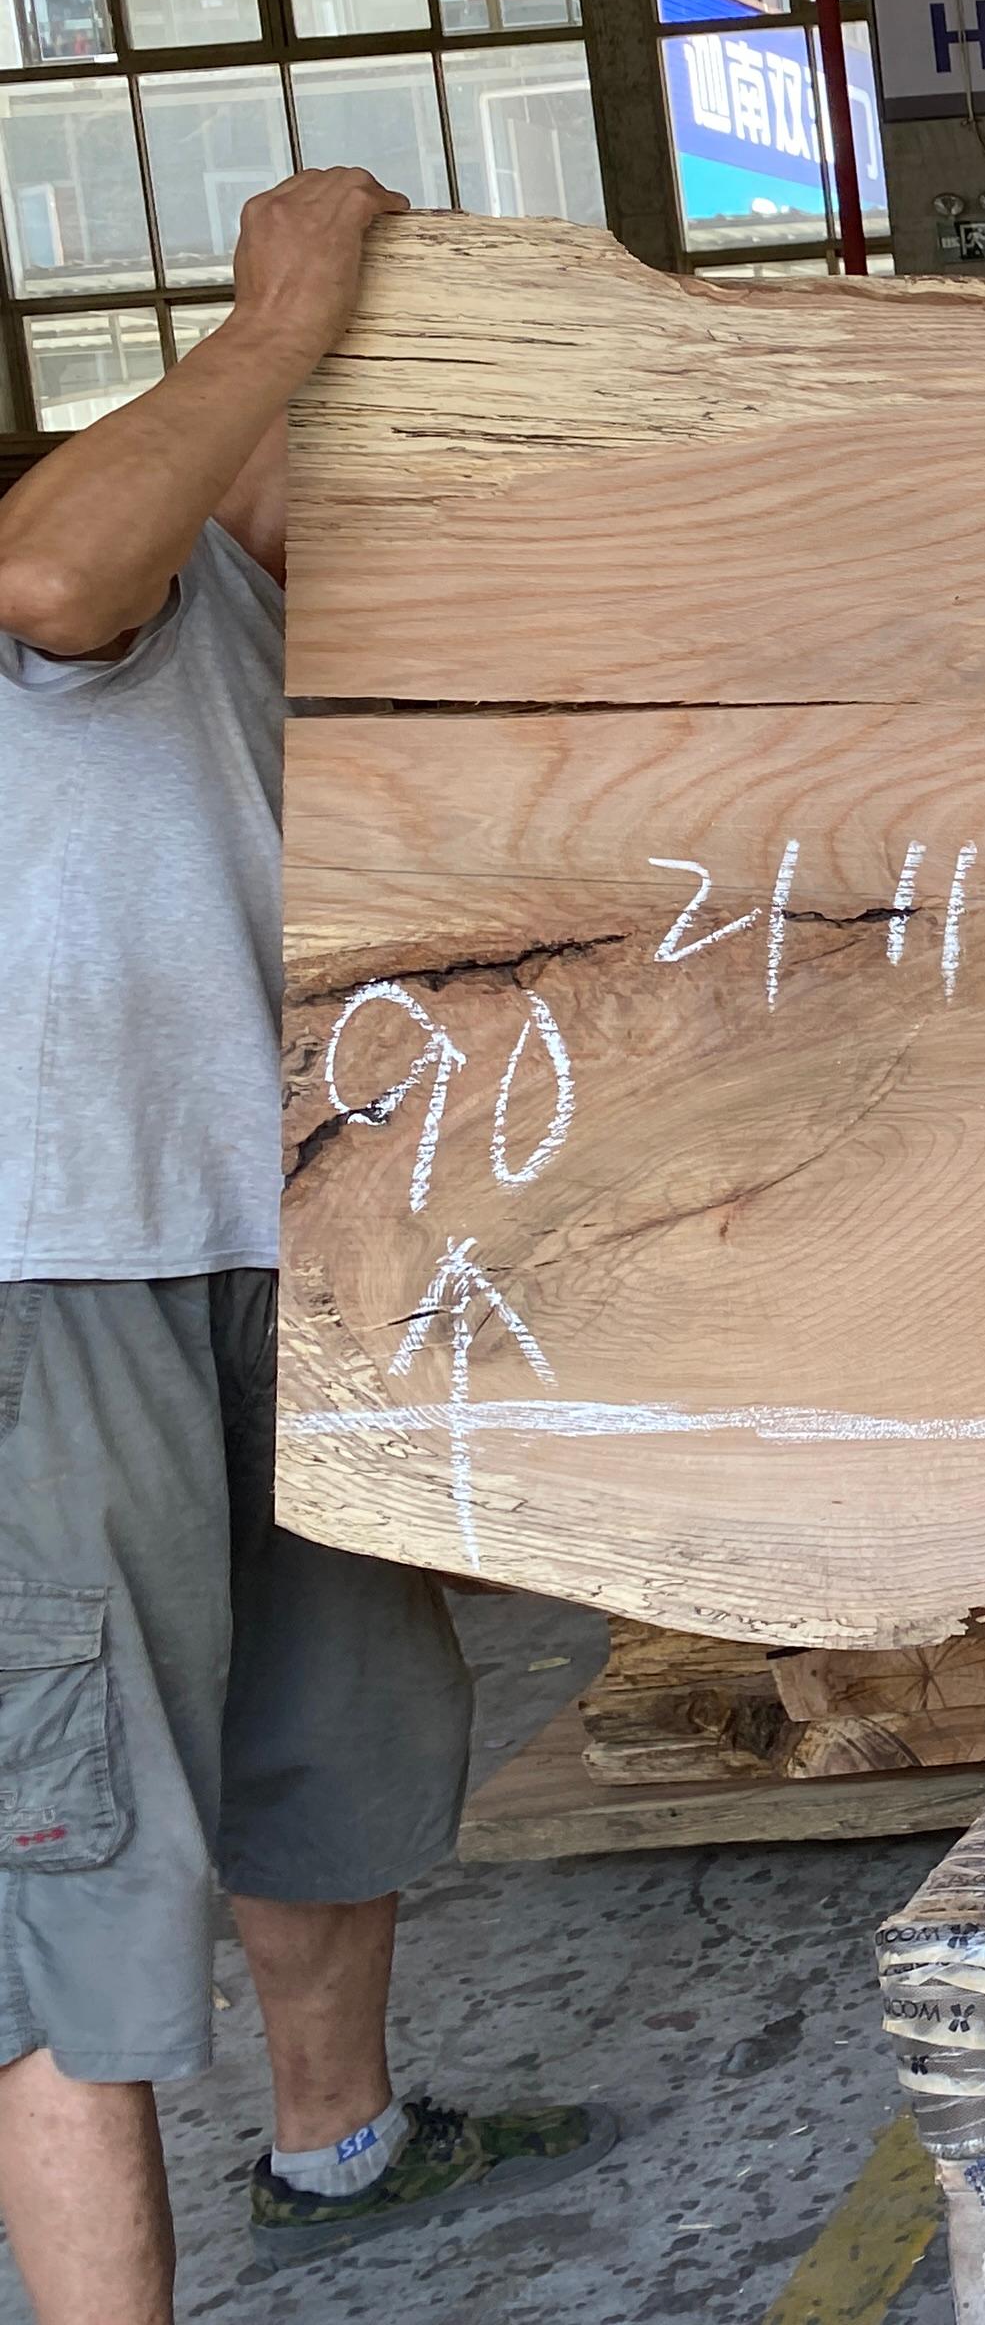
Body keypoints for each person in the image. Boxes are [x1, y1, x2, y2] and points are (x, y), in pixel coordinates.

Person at [0, 168, 609, 2314]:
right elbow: (56, 571)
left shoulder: (284, 621)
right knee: (77, 1859)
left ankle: (337, 2147)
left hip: (285, 1257)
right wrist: (278, 317)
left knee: (330, 1744)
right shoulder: (92, 559)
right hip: (59, 1284)